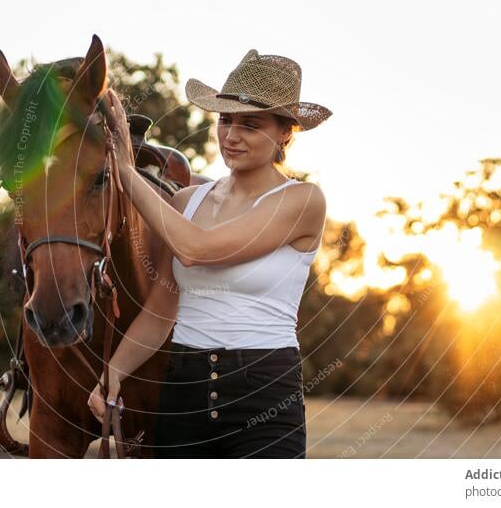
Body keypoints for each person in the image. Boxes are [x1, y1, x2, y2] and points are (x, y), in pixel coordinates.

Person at [88, 48, 333, 458]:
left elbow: (196, 249)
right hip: (183, 392)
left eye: (250, 125)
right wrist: (112, 374)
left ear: (285, 133)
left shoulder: (303, 201)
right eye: (225, 120)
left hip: (265, 394)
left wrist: (125, 170)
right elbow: (161, 311)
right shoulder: (187, 202)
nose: (230, 136)